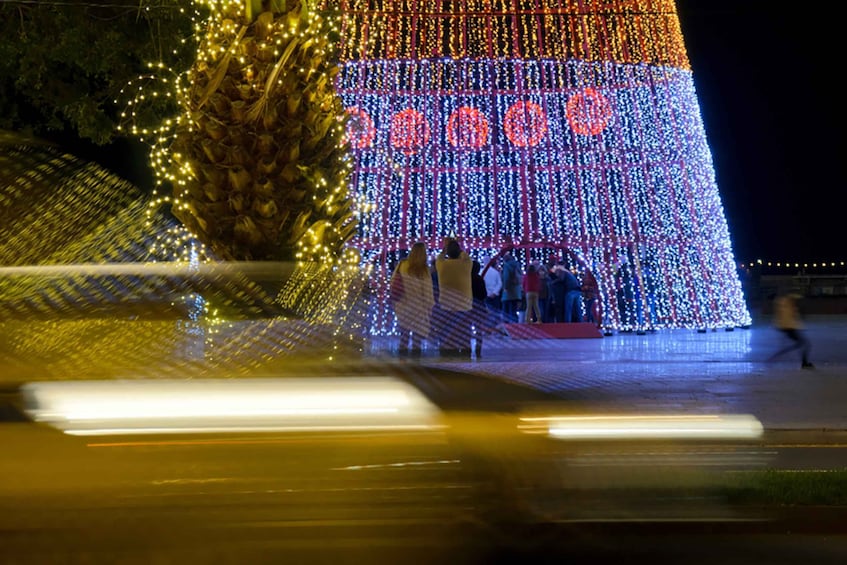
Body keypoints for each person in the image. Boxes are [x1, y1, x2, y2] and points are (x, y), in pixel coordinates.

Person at [391, 242, 435, 357]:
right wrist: (430, 307)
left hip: (403, 307)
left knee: (403, 338)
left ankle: (402, 364)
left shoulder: (401, 265)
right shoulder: (424, 270)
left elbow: (393, 283)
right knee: (417, 340)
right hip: (418, 308)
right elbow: (428, 291)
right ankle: (415, 365)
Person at [435, 238, 474, 356]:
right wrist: (458, 248)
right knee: (464, 331)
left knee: (446, 330)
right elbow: (466, 256)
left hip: (446, 304)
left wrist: (445, 249)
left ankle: (446, 351)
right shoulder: (466, 264)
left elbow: (439, 257)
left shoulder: (441, 265)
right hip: (464, 305)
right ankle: (465, 351)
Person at [769, 290, 814, 369]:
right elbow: (798, 297)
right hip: (789, 328)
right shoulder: (786, 301)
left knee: (801, 344)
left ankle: (804, 362)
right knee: (804, 344)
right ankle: (804, 363)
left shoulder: (783, 302)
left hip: (787, 327)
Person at [480, 255, 502, 330]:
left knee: (487, 313)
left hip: (485, 295)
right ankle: (495, 328)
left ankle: (488, 329)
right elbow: (499, 283)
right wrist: (495, 292)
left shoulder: (481, 272)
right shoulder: (495, 272)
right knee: (495, 313)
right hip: (494, 296)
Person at [500, 252, 522, 324]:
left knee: (506, 311)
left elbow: (506, 278)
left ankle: (508, 328)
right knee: (514, 310)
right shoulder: (517, 265)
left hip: (508, 292)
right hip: (516, 292)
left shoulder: (507, 266)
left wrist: (505, 288)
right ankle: (515, 326)